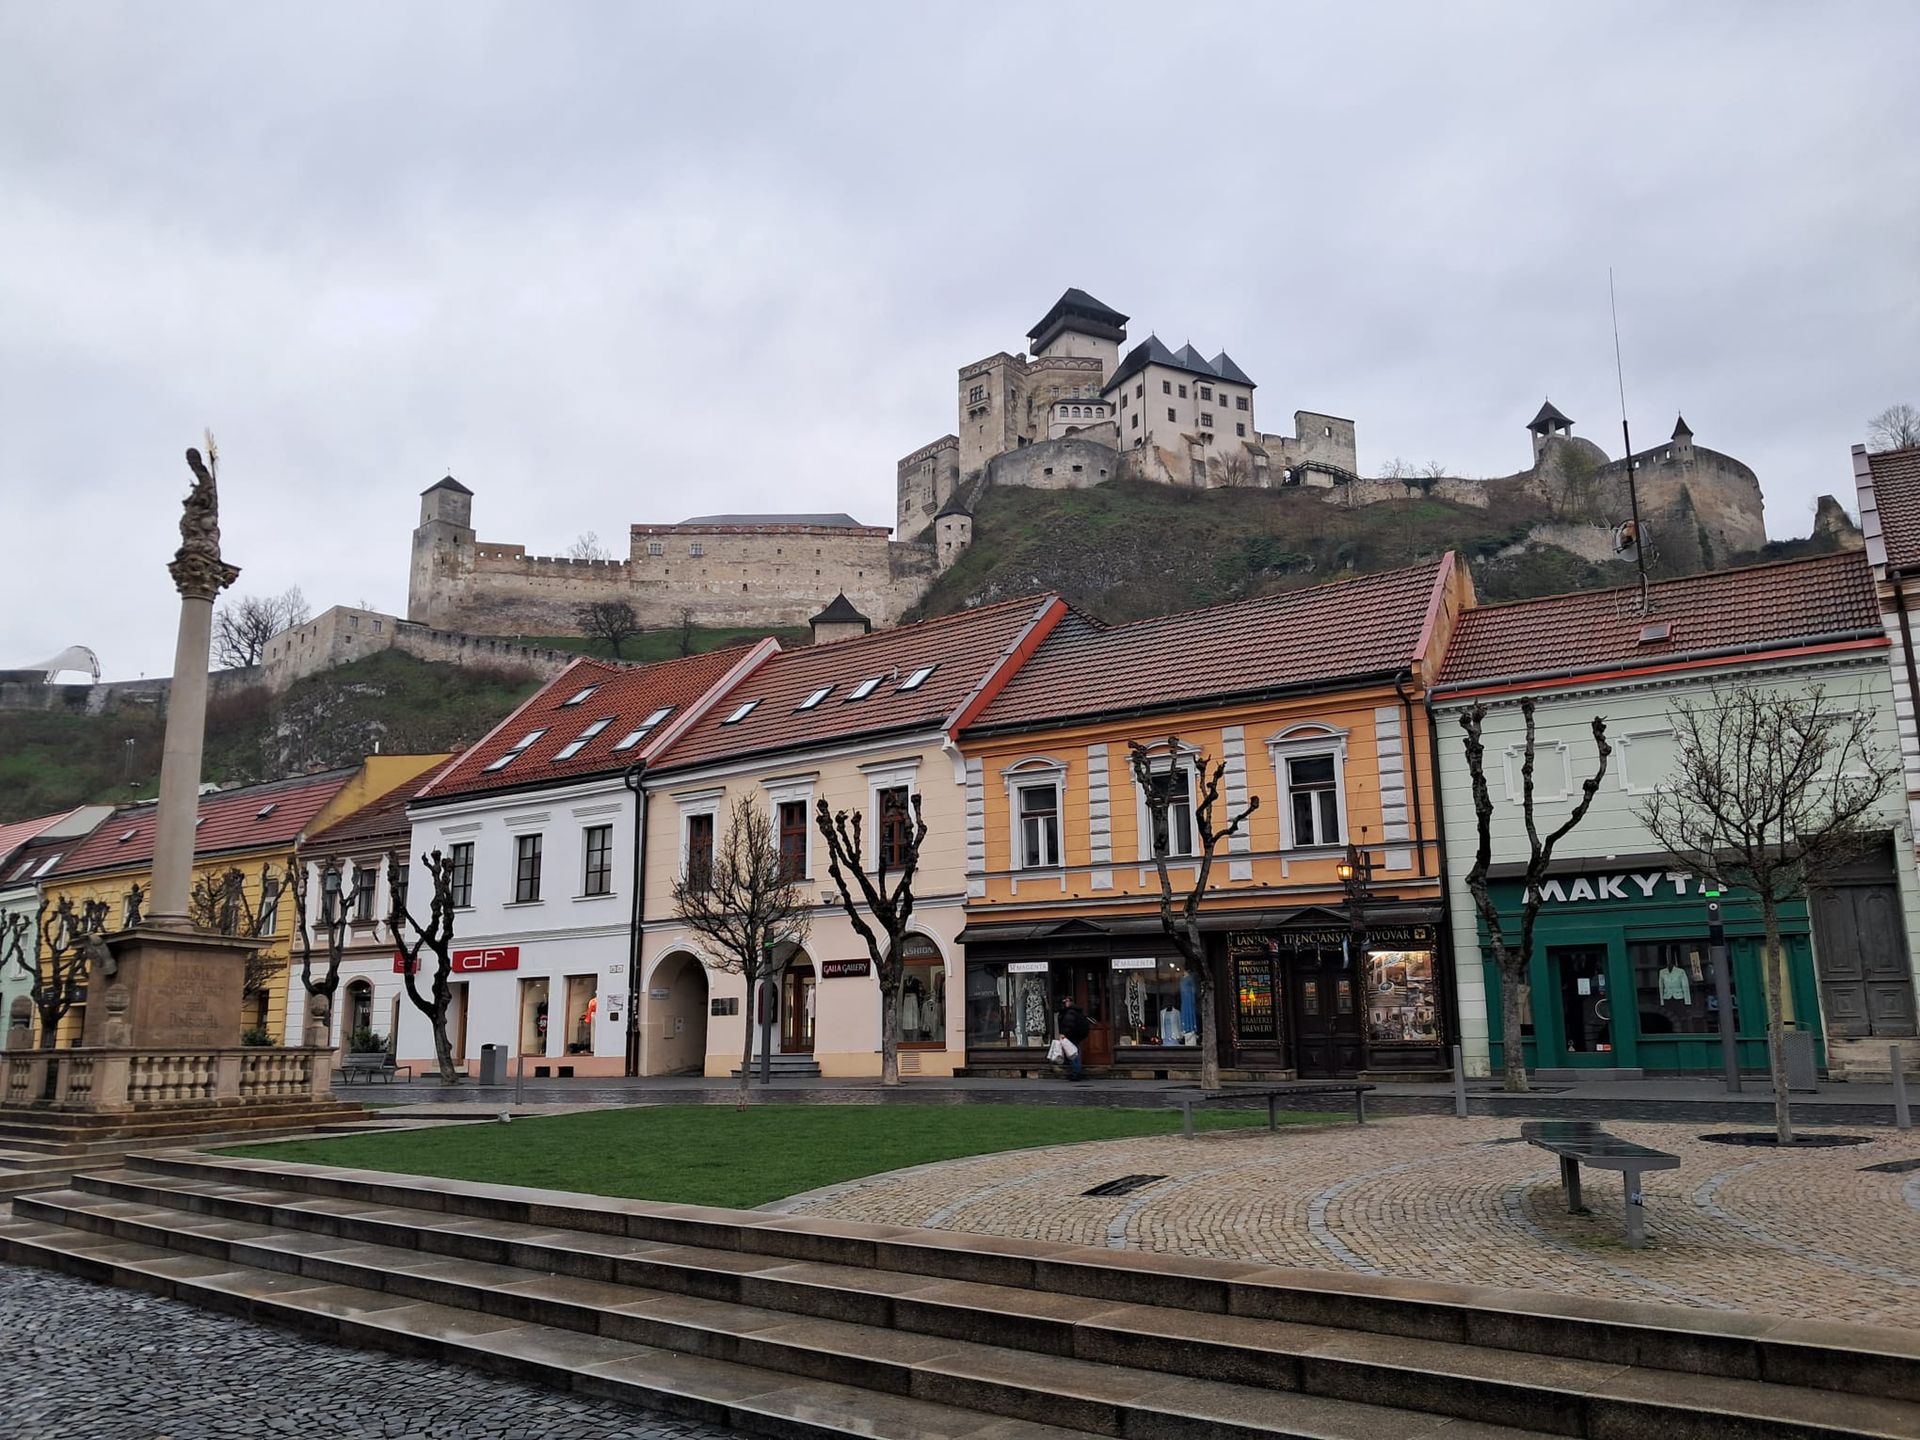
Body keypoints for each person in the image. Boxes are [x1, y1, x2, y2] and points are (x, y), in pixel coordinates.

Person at [1054, 995, 1089, 1081]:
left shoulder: (1070, 1012)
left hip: (1071, 1036)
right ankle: (1077, 1071)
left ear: (1070, 1002)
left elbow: (1068, 1024)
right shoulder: (1076, 1011)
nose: (1065, 1003)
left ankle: (1076, 1073)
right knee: (1075, 1053)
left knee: (1073, 1054)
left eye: (1066, 1001)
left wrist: (1063, 1034)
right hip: (1077, 1036)